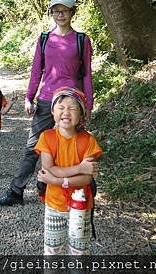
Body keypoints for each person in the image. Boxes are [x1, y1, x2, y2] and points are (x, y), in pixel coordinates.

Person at [0, 0, 94, 205]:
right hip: (47, 100)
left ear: (72, 12)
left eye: (64, 10)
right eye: (56, 11)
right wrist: (29, 97)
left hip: (71, 102)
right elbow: (36, 71)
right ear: (51, 13)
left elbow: (86, 75)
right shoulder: (44, 39)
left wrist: (88, 104)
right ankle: (16, 191)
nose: (60, 15)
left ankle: (76, 190)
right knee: (33, 148)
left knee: (73, 147)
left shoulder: (82, 40)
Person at [35, 87, 102, 255]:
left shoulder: (88, 140)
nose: (66, 112)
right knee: (52, 254)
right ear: (52, 111)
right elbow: (48, 169)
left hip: (81, 207)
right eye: (61, 107)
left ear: (82, 114)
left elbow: (87, 179)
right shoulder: (47, 137)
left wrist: (57, 180)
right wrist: (79, 168)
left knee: (79, 254)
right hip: (54, 206)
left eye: (72, 108)